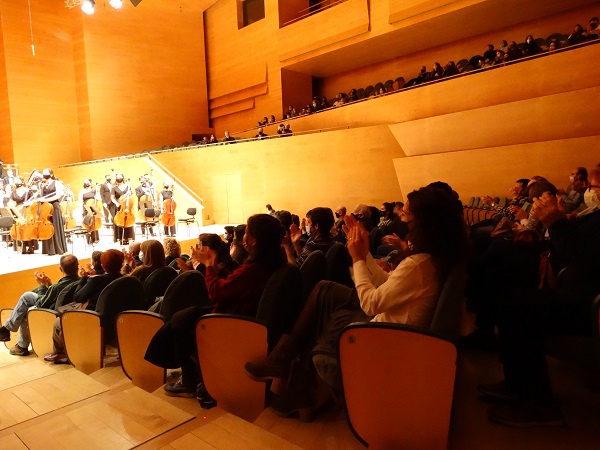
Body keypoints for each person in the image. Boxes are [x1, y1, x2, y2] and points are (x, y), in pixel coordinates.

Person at [244, 185, 467, 418]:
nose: (400, 218)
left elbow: (370, 304)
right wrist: (365, 252)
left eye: (406, 213)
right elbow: (387, 283)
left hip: (386, 335)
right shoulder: (433, 259)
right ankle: (285, 364)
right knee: (324, 289)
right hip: (391, 324)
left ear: (423, 222)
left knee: (327, 310)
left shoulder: (418, 265)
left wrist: (358, 258)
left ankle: (301, 387)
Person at [479, 168, 600, 427]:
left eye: (595, 188)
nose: (592, 192)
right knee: (508, 293)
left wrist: (556, 224)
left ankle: (539, 404)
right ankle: (516, 383)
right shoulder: (595, 214)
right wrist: (561, 224)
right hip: (572, 286)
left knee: (518, 304)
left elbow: (590, 258)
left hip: (592, 307)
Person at [145, 214, 287, 400]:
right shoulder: (273, 260)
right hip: (245, 316)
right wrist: (213, 268)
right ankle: (194, 379)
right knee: (183, 317)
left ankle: (192, 382)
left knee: (182, 322)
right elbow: (234, 284)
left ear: (254, 239)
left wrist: (209, 266)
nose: (243, 237)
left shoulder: (255, 268)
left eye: (247, 233)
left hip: (234, 322)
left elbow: (217, 292)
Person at [45, 249, 124, 364]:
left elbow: (77, 297)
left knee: (58, 322)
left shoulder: (97, 281)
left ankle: (62, 353)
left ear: (103, 266)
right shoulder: (125, 279)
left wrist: (83, 279)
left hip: (93, 317)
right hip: (115, 318)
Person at [0, 254, 80, 356]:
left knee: (26, 298)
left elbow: (41, 304)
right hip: (68, 310)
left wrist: (42, 286)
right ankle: (17, 341)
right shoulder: (81, 281)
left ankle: (13, 336)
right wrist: (48, 285)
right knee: (24, 308)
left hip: (51, 312)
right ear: (78, 267)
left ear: (60, 269)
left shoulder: (56, 287)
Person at [40, 168, 68, 256]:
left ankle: (58, 248)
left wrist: (46, 200)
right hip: (45, 208)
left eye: (46, 173)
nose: (44, 174)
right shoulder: (43, 184)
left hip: (54, 207)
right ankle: (49, 249)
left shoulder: (57, 183)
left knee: (55, 226)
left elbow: (58, 195)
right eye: (43, 173)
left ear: (51, 174)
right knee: (47, 226)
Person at [111, 173, 135, 245]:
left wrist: (129, 193)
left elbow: (131, 195)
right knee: (119, 222)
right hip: (119, 206)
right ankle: (120, 238)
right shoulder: (114, 188)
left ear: (123, 178)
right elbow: (112, 198)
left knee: (128, 220)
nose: (119, 178)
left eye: (120, 176)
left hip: (127, 205)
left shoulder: (127, 186)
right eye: (117, 177)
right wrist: (116, 203)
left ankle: (128, 237)